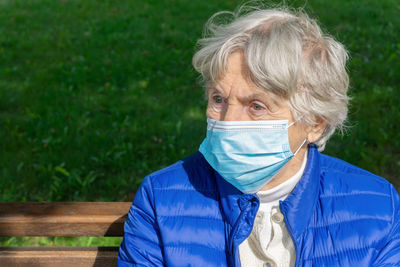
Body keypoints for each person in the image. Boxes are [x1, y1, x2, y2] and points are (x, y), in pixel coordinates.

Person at [117, 4, 400, 267]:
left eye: (256, 106)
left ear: (315, 123)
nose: (228, 121)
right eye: (218, 99)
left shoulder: (377, 209)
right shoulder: (162, 200)